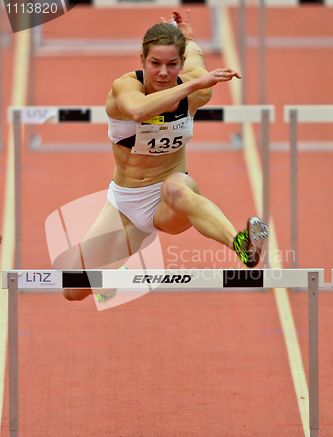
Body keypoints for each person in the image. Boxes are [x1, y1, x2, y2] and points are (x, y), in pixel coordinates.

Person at [63, 10, 268, 302]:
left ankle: (241, 244)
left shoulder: (195, 87)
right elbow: (139, 110)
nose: (163, 72)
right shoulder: (126, 87)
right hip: (125, 202)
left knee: (175, 187)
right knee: (73, 290)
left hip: (169, 199)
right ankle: (117, 265)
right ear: (142, 60)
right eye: (155, 63)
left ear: (181, 63)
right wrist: (193, 84)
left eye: (172, 65)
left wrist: (188, 36)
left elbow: (194, 55)